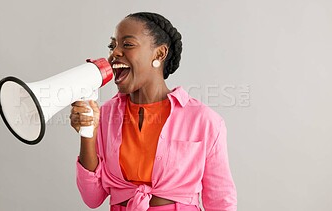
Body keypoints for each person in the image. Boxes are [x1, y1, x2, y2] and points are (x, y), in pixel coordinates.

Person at [70, 12, 237, 211]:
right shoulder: (104, 115)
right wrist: (87, 134)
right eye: (112, 46)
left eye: (127, 44)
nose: (114, 53)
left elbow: (220, 201)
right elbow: (92, 198)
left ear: (159, 54)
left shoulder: (203, 120)